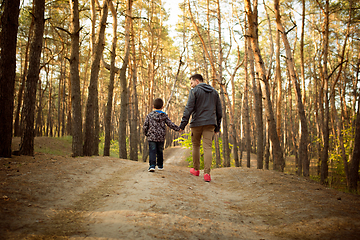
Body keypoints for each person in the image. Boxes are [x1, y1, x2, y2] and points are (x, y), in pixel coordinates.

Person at [179, 74, 222, 182]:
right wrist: (217, 127)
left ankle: (196, 170)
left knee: (196, 145)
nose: (191, 86)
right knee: (207, 147)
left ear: (197, 81)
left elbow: (188, 109)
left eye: (192, 83)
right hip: (210, 124)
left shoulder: (194, 91)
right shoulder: (214, 92)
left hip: (197, 123)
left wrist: (182, 125)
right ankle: (207, 174)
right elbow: (219, 112)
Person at [143, 98, 180, 172]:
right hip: (161, 137)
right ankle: (160, 165)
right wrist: (178, 129)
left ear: (153, 107)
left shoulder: (149, 116)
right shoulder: (164, 116)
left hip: (151, 136)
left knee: (152, 151)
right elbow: (170, 124)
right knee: (160, 150)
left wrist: (146, 133)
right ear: (162, 107)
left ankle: (152, 166)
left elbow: (145, 126)